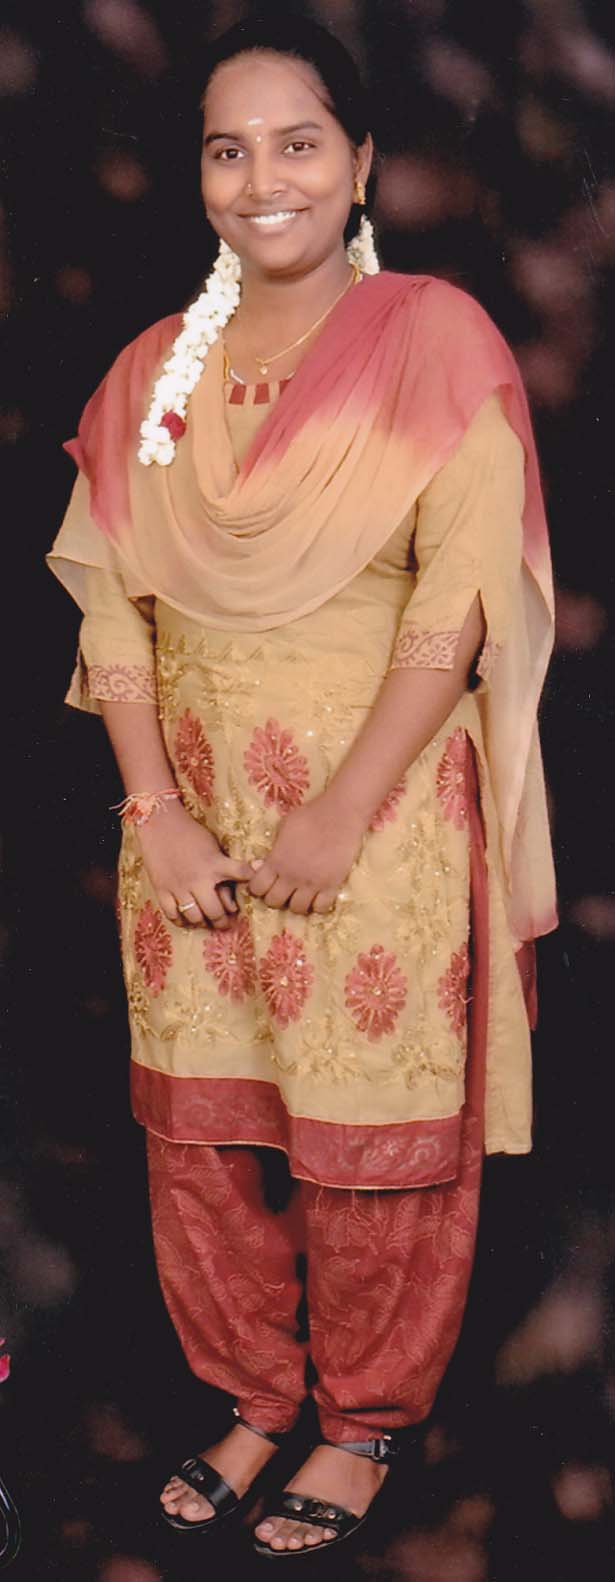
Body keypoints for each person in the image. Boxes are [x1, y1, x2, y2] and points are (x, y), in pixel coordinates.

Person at [47, 13, 557, 1559]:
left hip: (376, 820)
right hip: (186, 826)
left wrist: (341, 810)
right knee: (203, 1144)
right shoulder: (152, 377)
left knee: (368, 1145)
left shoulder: (433, 341)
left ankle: (362, 1422)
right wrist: (155, 811)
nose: (262, 178)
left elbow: (461, 601)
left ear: (362, 162)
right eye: (230, 148)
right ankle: (254, 1396)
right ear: (201, 173)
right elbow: (112, 608)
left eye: (298, 142)